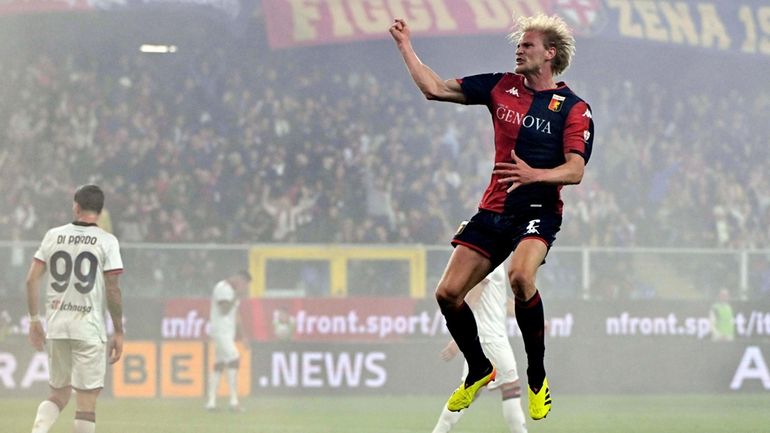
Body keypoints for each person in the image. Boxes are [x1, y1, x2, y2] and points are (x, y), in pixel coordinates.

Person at [389, 14, 594, 420]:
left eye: (528, 45)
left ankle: (537, 376)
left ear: (549, 54)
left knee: (521, 277)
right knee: (447, 294)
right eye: (519, 45)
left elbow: (575, 170)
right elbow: (434, 88)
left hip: (538, 211)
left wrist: (536, 175)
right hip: (494, 209)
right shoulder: (501, 85)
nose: (519, 49)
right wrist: (405, 46)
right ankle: (480, 369)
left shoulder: (574, 108)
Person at [26, 184, 124, 433]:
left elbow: (31, 280)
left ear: (76, 207)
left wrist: (34, 320)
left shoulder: (53, 235)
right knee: (86, 404)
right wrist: (119, 332)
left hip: (58, 326)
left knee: (58, 394)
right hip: (88, 328)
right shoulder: (107, 241)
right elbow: (113, 289)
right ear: (100, 213)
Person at [431, 264, 527, 433]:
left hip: (484, 338)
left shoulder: (492, 259)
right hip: (491, 339)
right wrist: (457, 340)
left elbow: (501, 303)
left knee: (470, 392)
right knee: (511, 388)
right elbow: (472, 299)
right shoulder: (490, 259)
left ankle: (439, 430)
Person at [205, 271, 251, 412]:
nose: (245, 288)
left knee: (219, 364)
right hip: (220, 331)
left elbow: (235, 314)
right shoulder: (222, 287)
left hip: (227, 332)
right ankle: (233, 401)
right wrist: (236, 295)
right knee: (234, 358)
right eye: (245, 284)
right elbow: (224, 309)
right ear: (239, 279)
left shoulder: (231, 291)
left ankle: (211, 402)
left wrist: (243, 336)